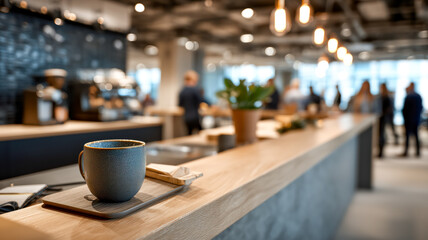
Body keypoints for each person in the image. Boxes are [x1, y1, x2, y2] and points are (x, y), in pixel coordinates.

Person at [401, 82, 423, 157]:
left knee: (407, 136)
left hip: (409, 120)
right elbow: (421, 108)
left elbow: (404, 110)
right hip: (416, 119)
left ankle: (406, 151)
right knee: (416, 136)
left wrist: (404, 118)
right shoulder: (418, 96)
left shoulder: (408, 96)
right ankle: (417, 152)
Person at [179, 70, 203, 135]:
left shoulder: (182, 91)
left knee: (189, 134)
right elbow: (201, 100)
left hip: (186, 117)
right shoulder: (195, 90)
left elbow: (180, 104)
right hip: (195, 116)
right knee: (201, 132)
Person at [378, 83, 396, 158]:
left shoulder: (386, 97)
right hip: (382, 117)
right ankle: (380, 150)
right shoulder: (382, 96)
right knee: (381, 134)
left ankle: (381, 151)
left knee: (382, 134)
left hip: (383, 118)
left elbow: (388, 109)